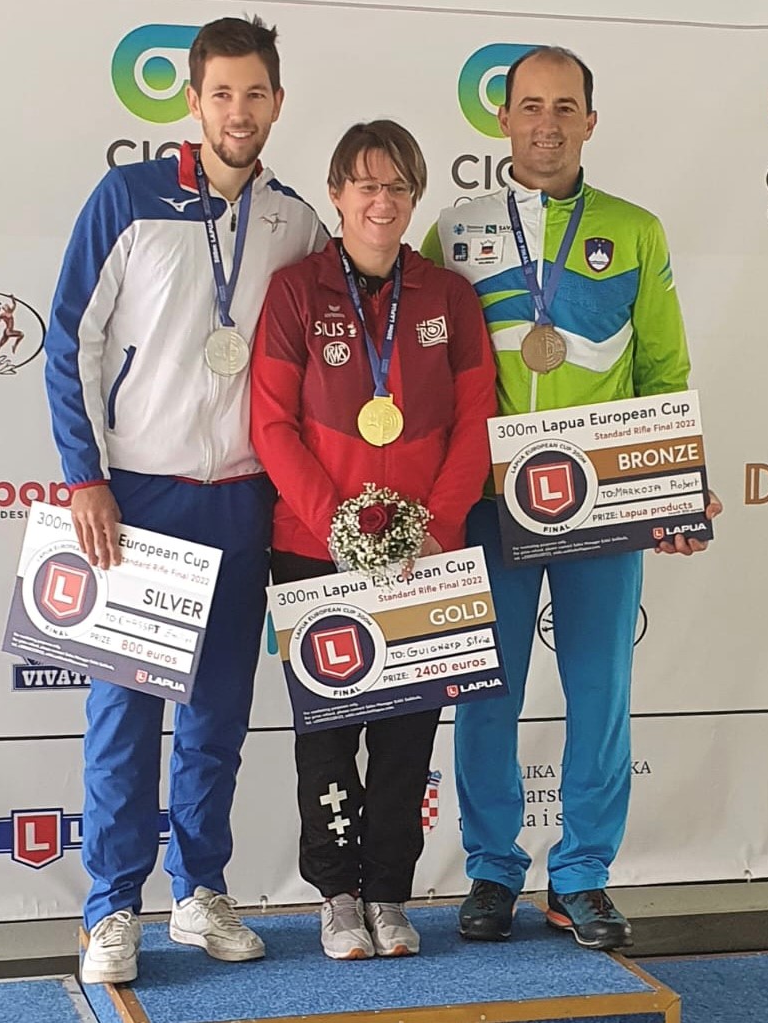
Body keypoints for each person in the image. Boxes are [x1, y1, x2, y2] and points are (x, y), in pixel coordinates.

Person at [42, 16, 325, 984]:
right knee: (124, 715)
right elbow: (67, 342)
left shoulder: (295, 221)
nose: (238, 112)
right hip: (139, 499)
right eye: (221, 94)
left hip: (245, 503)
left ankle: (199, 891)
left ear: (277, 104)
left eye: (255, 94)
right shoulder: (127, 198)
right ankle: (111, 907)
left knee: (216, 714)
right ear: (193, 100)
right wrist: (87, 476)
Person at [423, 46, 722, 950]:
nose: (546, 122)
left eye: (565, 106)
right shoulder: (455, 228)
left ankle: (584, 873)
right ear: (502, 118)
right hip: (488, 501)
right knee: (486, 693)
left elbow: (664, 368)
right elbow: (430, 372)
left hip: (605, 500)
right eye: (529, 105)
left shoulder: (634, 230)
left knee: (601, 692)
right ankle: (490, 868)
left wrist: (675, 486)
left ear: (590, 121)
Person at [251, 120, 496, 960]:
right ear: (336, 194)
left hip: (426, 553)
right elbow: (272, 426)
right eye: (364, 184)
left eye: (396, 185)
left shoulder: (450, 297)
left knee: (406, 734)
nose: (380, 200)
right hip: (314, 548)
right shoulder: (294, 292)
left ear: (414, 196)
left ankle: (390, 890)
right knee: (325, 733)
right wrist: (340, 529)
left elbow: (476, 422)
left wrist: (431, 527)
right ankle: (338, 894)